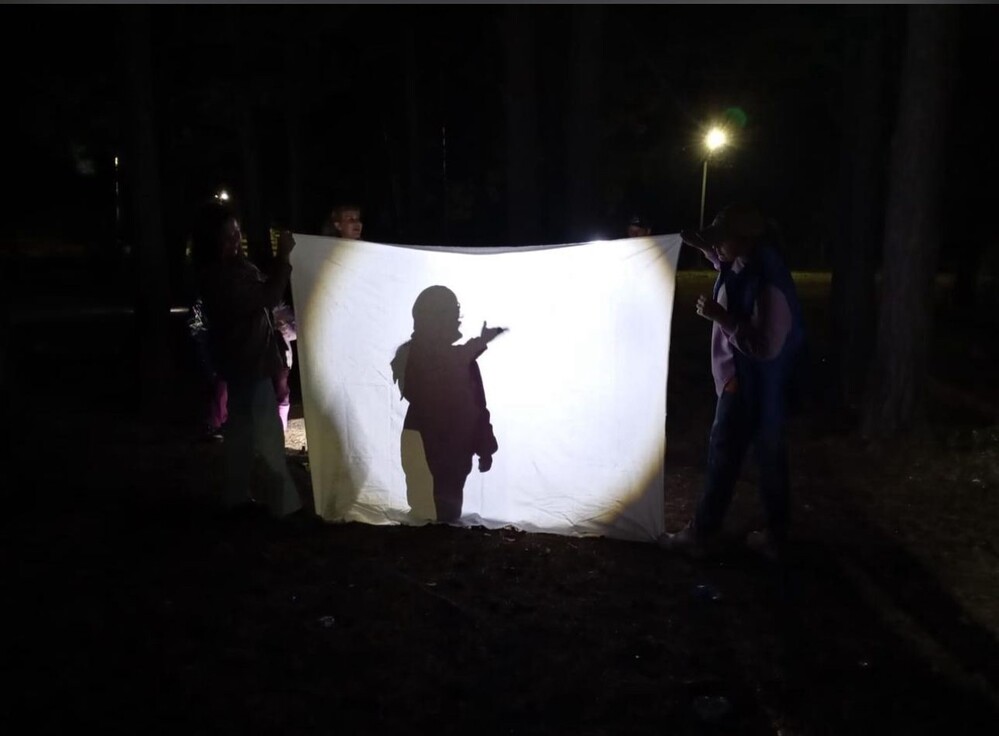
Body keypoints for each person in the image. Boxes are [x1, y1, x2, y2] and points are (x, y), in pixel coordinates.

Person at [661, 203, 804, 560]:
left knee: (728, 456)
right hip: (751, 384)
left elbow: (766, 347)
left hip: (750, 384)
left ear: (744, 239)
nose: (717, 247)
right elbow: (726, 264)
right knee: (766, 457)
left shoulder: (768, 285)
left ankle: (703, 534)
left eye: (721, 240)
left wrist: (721, 318)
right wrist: (703, 247)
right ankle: (776, 536)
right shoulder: (747, 262)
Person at [190, 200, 303, 518]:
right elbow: (267, 296)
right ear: (211, 242)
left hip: (246, 363)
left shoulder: (235, 268)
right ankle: (285, 507)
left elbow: (264, 297)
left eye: (237, 233)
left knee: (241, 434)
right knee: (268, 436)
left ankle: (236, 498)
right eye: (227, 236)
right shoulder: (221, 276)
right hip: (248, 364)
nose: (235, 241)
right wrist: (284, 258)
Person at [390, 286, 505, 523]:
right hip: (434, 445)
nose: (456, 320)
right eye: (451, 314)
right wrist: (480, 343)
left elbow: (476, 407)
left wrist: (485, 448)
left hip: (439, 446)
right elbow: (473, 403)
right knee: (435, 515)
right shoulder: (418, 357)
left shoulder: (411, 356)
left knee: (434, 515)